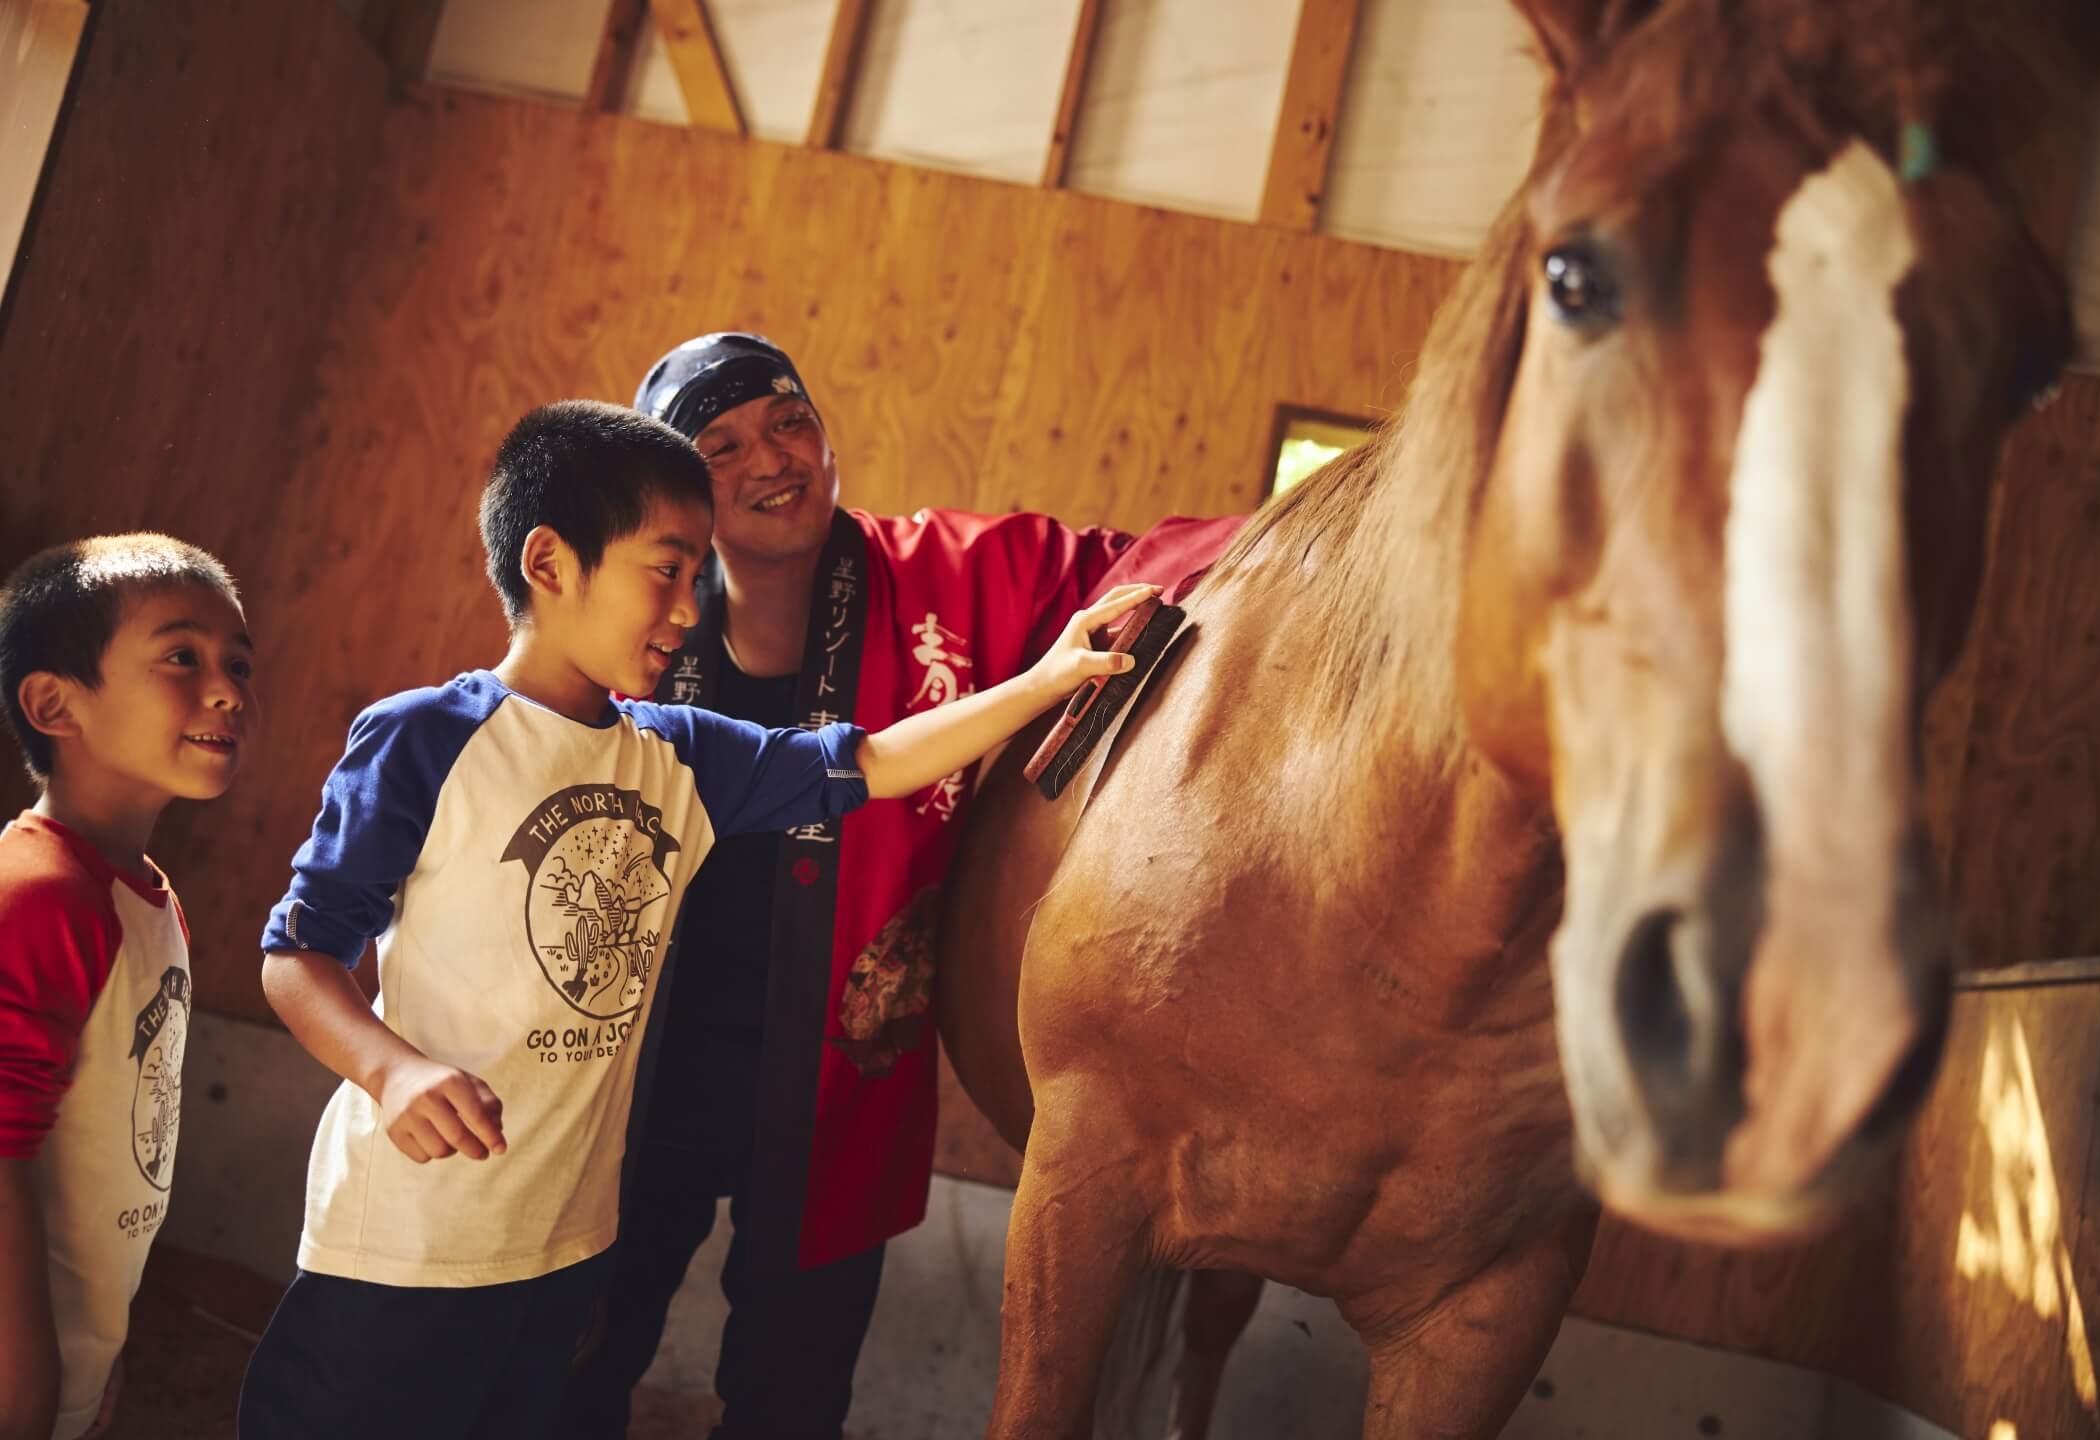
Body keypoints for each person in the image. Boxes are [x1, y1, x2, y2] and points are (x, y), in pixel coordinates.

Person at [232, 399, 1150, 1440]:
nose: (688, 603)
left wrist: (1045, 680)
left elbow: (877, 761)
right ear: (550, 562)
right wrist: (390, 1068)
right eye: (665, 568)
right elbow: (297, 957)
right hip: (402, 1246)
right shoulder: (422, 740)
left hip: (564, 1251)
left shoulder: (677, 753)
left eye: (695, 571)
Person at [558, 333, 1246, 1440]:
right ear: (678, 486)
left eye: (788, 420)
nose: (771, 458)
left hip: (836, 1086)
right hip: (639, 1075)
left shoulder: (951, 575)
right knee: (572, 1370)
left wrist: (1330, 538)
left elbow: (1157, 567)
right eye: (720, 445)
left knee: (789, 1403)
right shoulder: (634, 613)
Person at [0, 535, 257, 1440]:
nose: (226, 688)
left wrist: (89, 1365)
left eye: (237, 662)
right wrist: (26, 1382)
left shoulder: (145, 896)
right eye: (181, 656)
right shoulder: (40, 894)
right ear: (53, 703)